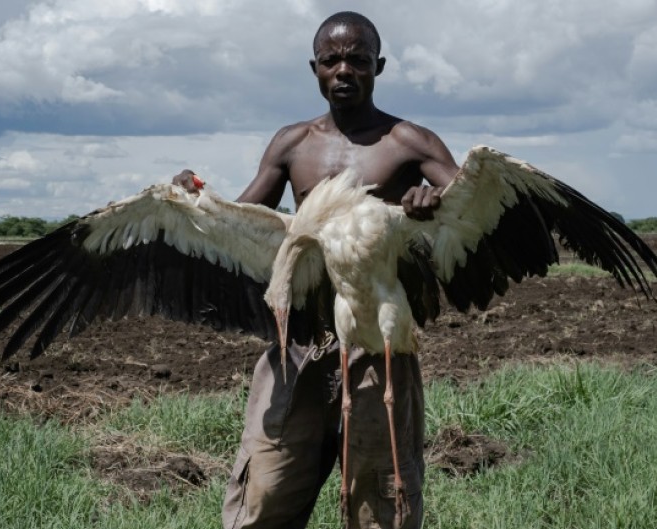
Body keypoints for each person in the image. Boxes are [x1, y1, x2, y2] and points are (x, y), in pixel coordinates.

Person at [175, 11, 460, 529]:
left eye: (358, 59)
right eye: (332, 60)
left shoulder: (410, 143)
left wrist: (433, 198)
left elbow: (468, 207)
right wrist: (192, 203)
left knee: (380, 503)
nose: (344, 70)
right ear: (315, 68)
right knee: (264, 495)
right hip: (299, 344)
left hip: (378, 344)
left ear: (379, 67)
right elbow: (239, 228)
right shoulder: (292, 144)